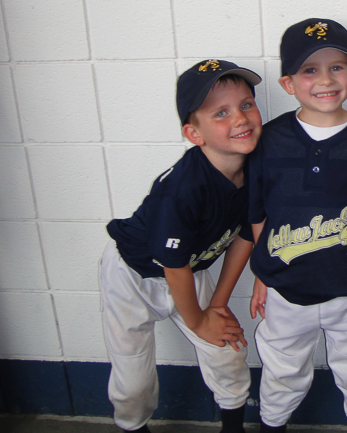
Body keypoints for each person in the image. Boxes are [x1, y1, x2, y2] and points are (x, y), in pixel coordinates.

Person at [247, 18, 347, 433]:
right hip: (285, 290)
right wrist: (264, 272)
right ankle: (272, 424)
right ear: (287, 83)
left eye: (336, 67)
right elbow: (258, 214)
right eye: (309, 70)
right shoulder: (270, 139)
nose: (325, 80)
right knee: (283, 370)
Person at [101, 59, 262, 433]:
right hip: (134, 274)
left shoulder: (258, 168)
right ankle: (133, 426)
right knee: (133, 377)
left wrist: (218, 305)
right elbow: (172, 265)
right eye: (220, 112)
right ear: (194, 133)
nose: (239, 118)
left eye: (246, 104)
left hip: (191, 269)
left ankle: (233, 427)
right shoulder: (183, 188)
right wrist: (197, 320)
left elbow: (245, 237)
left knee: (227, 349)